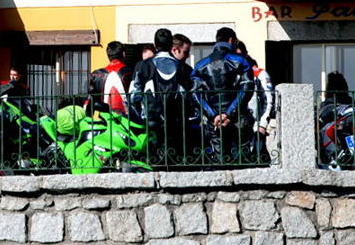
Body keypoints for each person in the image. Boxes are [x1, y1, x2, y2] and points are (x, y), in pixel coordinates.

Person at [129, 28, 193, 164]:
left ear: (155, 44)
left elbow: (133, 96)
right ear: (171, 45)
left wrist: (140, 114)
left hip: (150, 121)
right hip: (176, 124)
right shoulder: (183, 68)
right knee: (175, 162)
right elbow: (190, 96)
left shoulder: (142, 65)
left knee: (151, 161)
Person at [191, 27, 255, 163]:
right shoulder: (241, 61)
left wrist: (214, 115)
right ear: (231, 40)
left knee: (220, 161)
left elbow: (195, 94)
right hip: (239, 118)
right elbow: (248, 87)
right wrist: (229, 113)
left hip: (214, 121)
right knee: (244, 161)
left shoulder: (200, 65)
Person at [233, 42, 275, 163]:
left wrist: (262, 125)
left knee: (258, 161)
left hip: (256, 128)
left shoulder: (259, 73)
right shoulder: (231, 75)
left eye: (240, 55)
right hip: (236, 128)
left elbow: (269, 99)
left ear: (246, 54)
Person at [87, 41, 132, 115]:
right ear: (123, 54)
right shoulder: (131, 72)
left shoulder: (96, 74)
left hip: (105, 120)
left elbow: (91, 101)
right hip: (128, 119)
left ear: (108, 55)